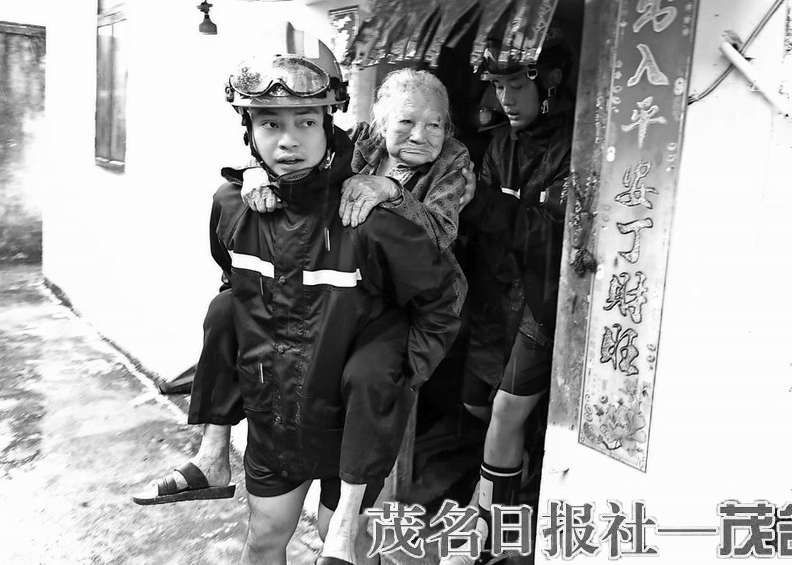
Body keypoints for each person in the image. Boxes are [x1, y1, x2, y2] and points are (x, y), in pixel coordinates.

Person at [135, 49, 472, 563]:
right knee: (264, 537)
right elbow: (235, 264)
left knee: (348, 540)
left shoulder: (400, 200)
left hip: (358, 400)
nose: (289, 140)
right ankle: (212, 451)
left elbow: (440, 289)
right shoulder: (238, 202)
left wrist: (399, 374)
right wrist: (252, 173)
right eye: (270, 123)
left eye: (307, 122)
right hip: (280, 410)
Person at [444, 28, 576, 565]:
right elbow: (485, 225)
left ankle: (491, 536)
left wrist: (485, 203)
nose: (506, 99)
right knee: (478, 403)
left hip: (544, 300)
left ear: (551, 82)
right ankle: (509, 496)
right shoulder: (500, 143)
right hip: (496, 295)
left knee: (504, 412)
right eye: (498, 87)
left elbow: (553, 234)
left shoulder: (578, 144)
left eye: (517, 85)